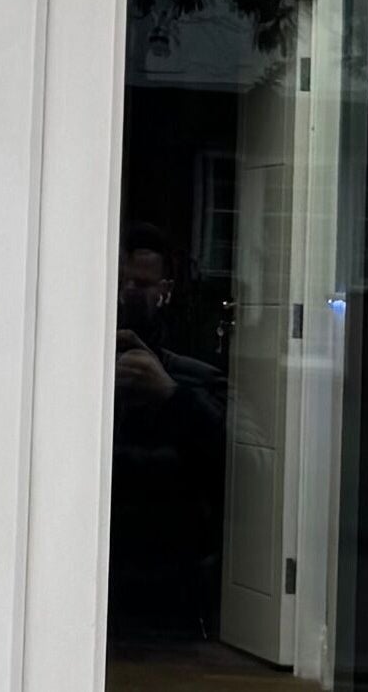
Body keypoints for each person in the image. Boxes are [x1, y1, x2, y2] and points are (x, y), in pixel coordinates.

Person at [108, 226, 228, 639]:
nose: (128, 294)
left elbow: (238, 461)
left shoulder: (197, 364)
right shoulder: (72, 353)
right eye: (121, 281)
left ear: (167, 289)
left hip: (172, 582)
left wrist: (170, 394)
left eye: (142, 284)